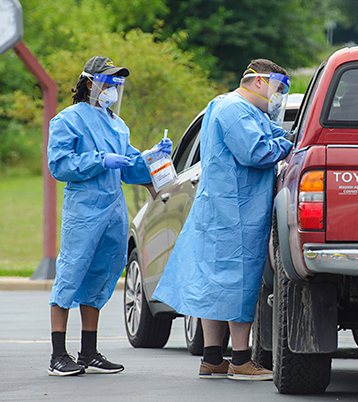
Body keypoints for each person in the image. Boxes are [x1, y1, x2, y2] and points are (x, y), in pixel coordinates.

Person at [152, 59, 293, 380]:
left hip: (221, 211)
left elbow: (274, 134)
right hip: (235, 214)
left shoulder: (235, 108)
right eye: (278, 88)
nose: (279, 97)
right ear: (257, 81)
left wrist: (282, 138)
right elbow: (256, 152)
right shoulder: (235, 110)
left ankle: (213, 358)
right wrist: (285, 145)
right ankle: (241, 360)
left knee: (214, 285)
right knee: (238, 284)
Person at [46, 56, 173, 376]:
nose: (114, 90)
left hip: (113, 210)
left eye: (118, 84)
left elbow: (130, 168)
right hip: (85, 210)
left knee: (101, 276)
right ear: (90, 83)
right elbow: (60, 165)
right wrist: (100, 160)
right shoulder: (67, 120)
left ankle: (88, 351)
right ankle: (57, 354)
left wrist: (153, 157)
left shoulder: (118, 124)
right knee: (71, 273)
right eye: (108, 83)